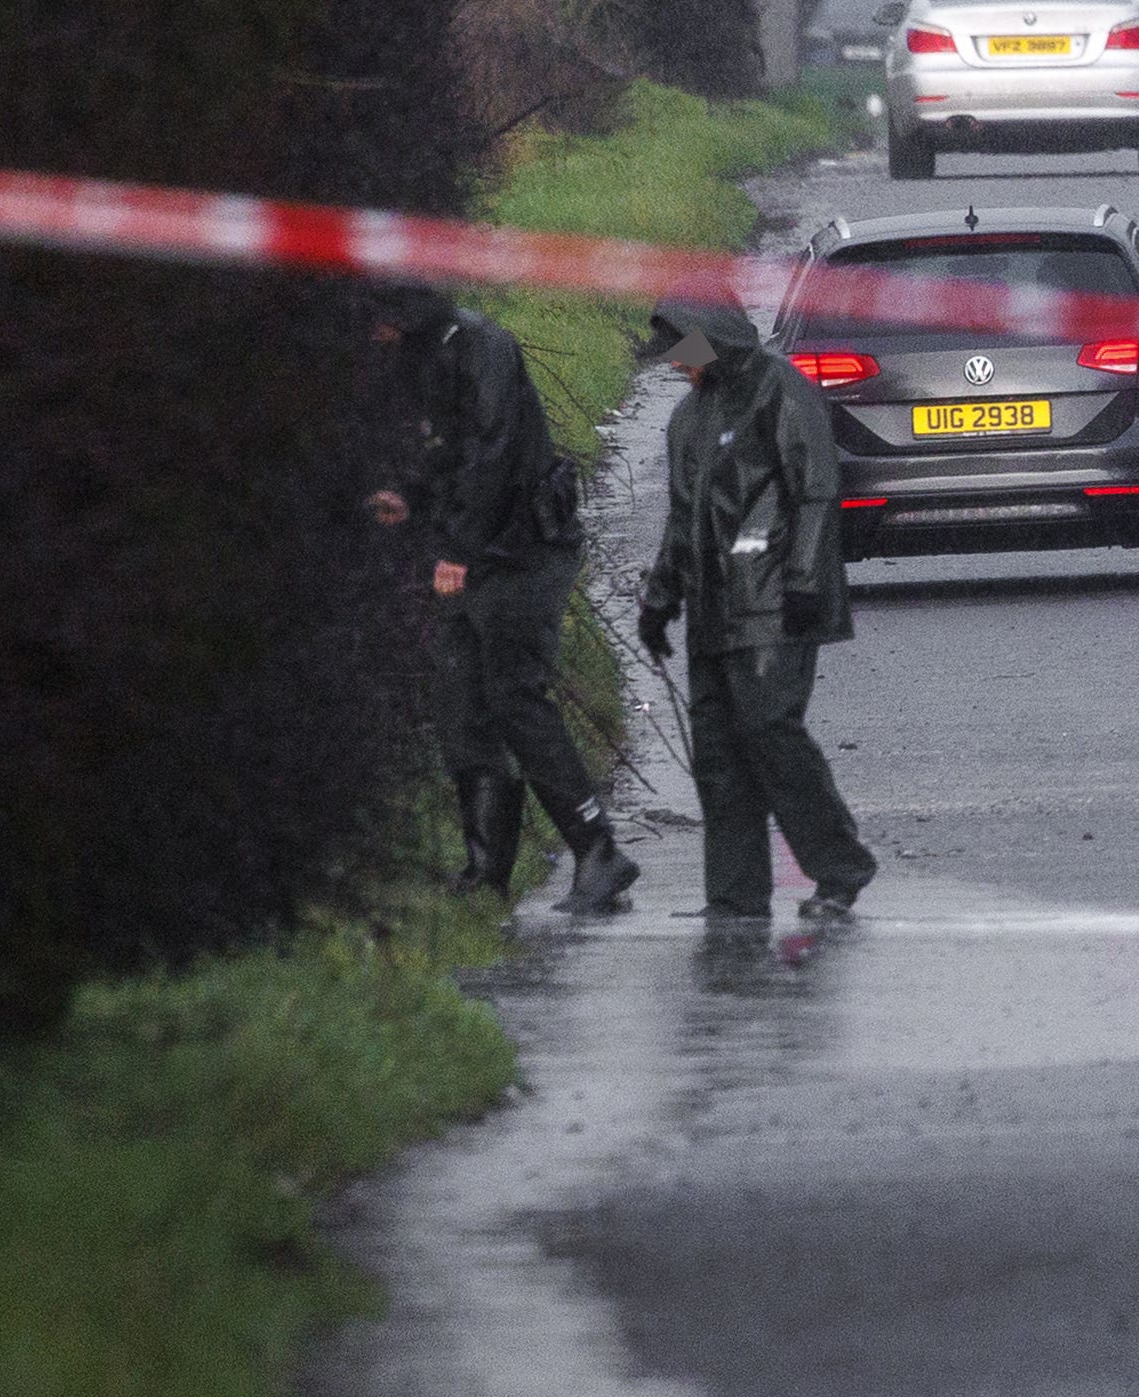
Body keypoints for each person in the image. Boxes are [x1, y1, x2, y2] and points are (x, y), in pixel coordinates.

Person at [369, 284, 634, 913]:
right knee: (462, 705)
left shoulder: (482, 347)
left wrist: (457, 550)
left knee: (516, 696)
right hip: (472, 554)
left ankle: (597, 847)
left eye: (376, 326)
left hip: (524, 551)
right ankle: (486, 872)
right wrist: (409, 494)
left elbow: (493, 454)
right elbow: (446, 455)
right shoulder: (418, 361)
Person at [631, 297, 875, 920]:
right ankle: (735, 895)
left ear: (711, 340)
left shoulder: (781, 389)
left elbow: (815, 486)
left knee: (770, 731)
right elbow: (682, 521)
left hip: (773, 601)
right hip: (713, 608)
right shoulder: (688, 419)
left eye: (684, 354)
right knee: (717, 752)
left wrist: (803, 579)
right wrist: (659, 601)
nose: (678, 369)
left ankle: (839, 868)